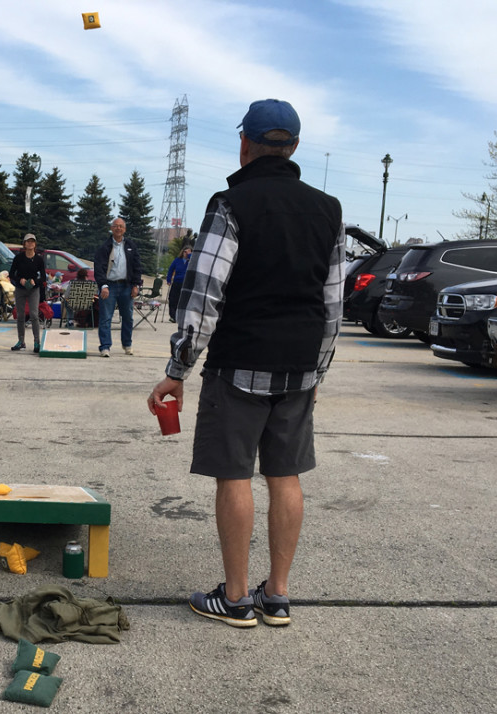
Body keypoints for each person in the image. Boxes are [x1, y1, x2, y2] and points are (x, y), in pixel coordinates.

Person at [147, 99, 344, 628]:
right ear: (295, 147)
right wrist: (318, 372)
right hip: (300, 369)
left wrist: (177, 368)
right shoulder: (330, 210)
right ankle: (276, 595)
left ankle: (235, 598)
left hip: (238, 367)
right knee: (286, 475)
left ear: (245, 144)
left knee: (234, 475)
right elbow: (332, 306)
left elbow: (203, 293)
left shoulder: (231, 203)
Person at [92, 217, 142, 357]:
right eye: (116, 226)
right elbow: (99, 269)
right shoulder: (104, 247)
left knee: (128, 317)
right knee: (105, 318)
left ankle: (127, 344)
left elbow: (137, 266)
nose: (118, 228)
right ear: (111, 228)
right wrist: (103, 286)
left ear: (124, 229)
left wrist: (136, 285)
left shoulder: (131, 246)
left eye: (121, 226)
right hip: (110, 287)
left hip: (126, 286)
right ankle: (105, 346)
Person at [8, 233, 47, 352]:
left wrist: (35, 281)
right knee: (20, 315)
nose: (30, 243)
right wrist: (20, 280)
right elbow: (11, 274)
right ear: (24, 244)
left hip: (33, 290)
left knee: (34, 315)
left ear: (35, 244)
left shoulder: (39, 259)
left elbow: (44, 277)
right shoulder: (18, 258)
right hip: (20, 289)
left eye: (32, 241)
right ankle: (21, 341)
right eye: (28, 241)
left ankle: (37, 342)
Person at [165, 243, 192, 322]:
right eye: (185, 252)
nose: (186, 254)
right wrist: (169, 280)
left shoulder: (191, 261)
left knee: (183, 300)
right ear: (182, 252)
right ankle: (173, 316)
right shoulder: (177, 260)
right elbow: (171, 269)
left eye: (188, 252)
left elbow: (195, 262)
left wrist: (190, 255)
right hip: (176, 282)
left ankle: (182, 317)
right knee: (172, 299)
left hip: (186, 283)